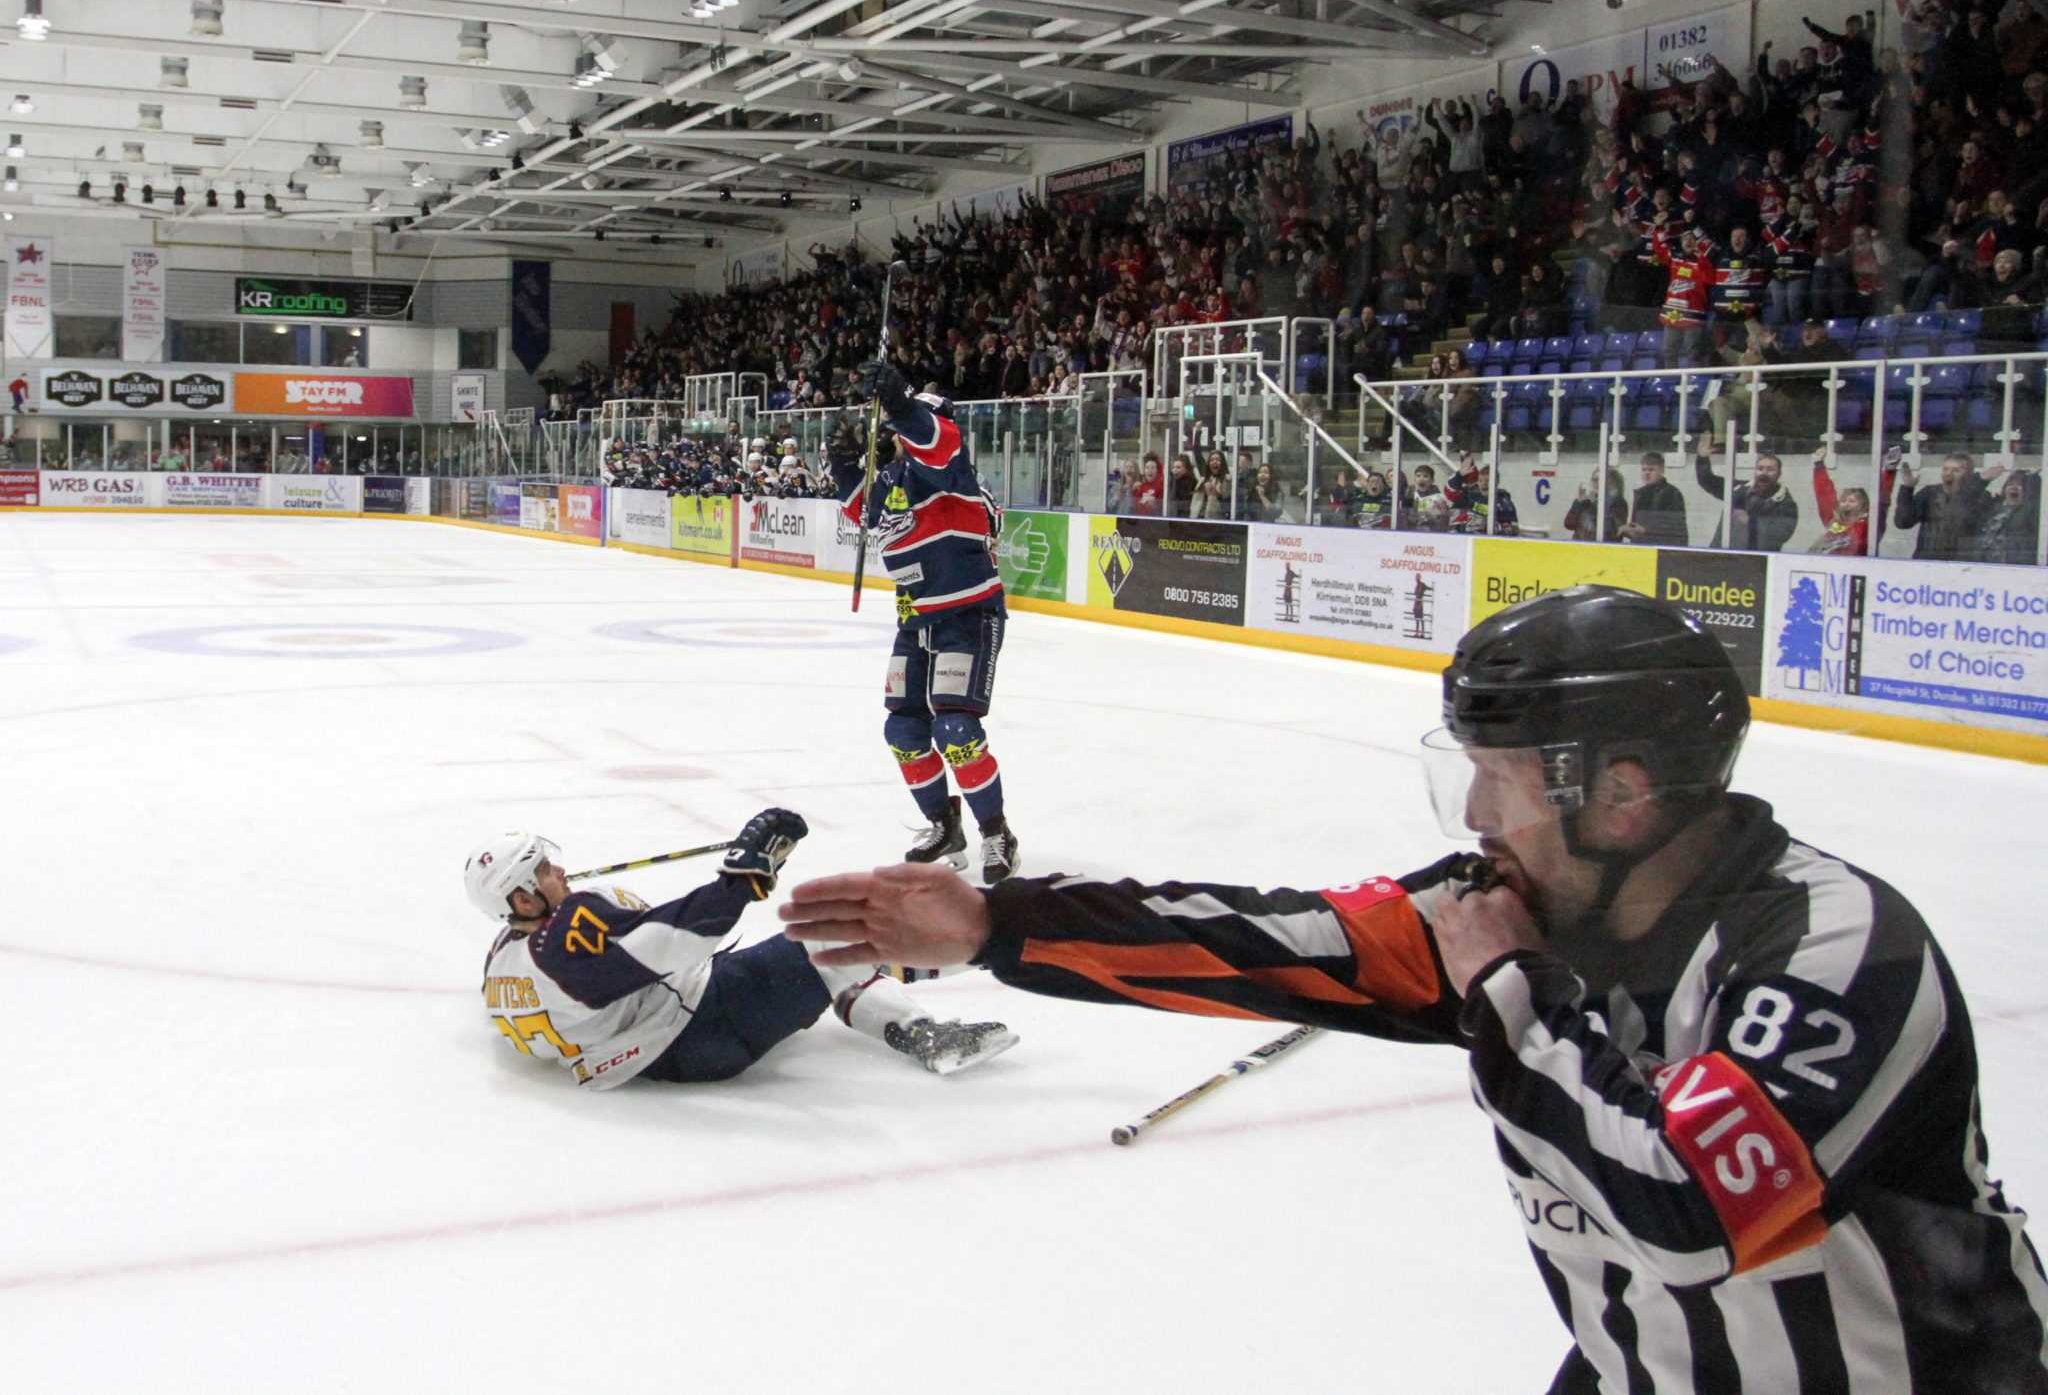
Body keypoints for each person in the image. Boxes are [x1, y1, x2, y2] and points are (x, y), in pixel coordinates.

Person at [781, 586, 2048, 1394]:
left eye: (1504, 775)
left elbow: (1686, 1208)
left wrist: (1504, 981)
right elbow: (1277, 940)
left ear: (1621, 789)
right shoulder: (1532, 899)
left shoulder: (1834, 947)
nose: (1475, 812)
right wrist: (1003, 923)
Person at [465, 810, 1016, 1087]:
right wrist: (744, 877)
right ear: (520, 895)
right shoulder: (565, 938)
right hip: (704, 1025)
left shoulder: (502, 962)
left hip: (656, 1055)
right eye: (542, 869)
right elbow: (675, 941)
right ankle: (987, 947)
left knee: (822, 966)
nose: (558, 868)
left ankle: (909, 1023)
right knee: (831, 929)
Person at [829, 361, 1020, 883]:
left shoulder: (950, 467)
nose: (892, 436)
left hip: (966, 613)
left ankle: (997, 832)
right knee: (904, 730)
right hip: (915, 620)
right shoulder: (892, 476)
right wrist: (842, 460)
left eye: (899, 427)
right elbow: (861, 513)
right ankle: (943, 824)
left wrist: (899, 405)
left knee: (956, 729)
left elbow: (933, 440)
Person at [1694, 436, 1798, 551]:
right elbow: (1707, 480)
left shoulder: (1786, 503)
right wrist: (1702, 459)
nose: (1764, 473)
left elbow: (1780, 535)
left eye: (1770, 469)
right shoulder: (1739, 489)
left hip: (1758, 562)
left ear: (1779, 473)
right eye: (1760, 468)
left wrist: (1751, 521)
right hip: (1723, 557)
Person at [1894, 452, 1993, 561]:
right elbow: (1903, 522)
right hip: (1926, 561)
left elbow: (1962, 522)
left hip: (1962, 563)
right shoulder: (1929, 493)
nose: (1948, 474)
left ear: (1970, 474)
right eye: (1945, 469)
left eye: (1957, 470)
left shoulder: (1982, 496)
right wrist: (1907, 488)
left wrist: (1971, 489)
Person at [1620, 451, 1689, 545]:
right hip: (1642, 546)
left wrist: (1646, 531)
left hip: (1663, 548)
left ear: (1661, 470)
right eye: (1644, 470)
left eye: (1651, 470)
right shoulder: (1640, 494)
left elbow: (1674, 527)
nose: (1647, 473)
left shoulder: (1672, 494)